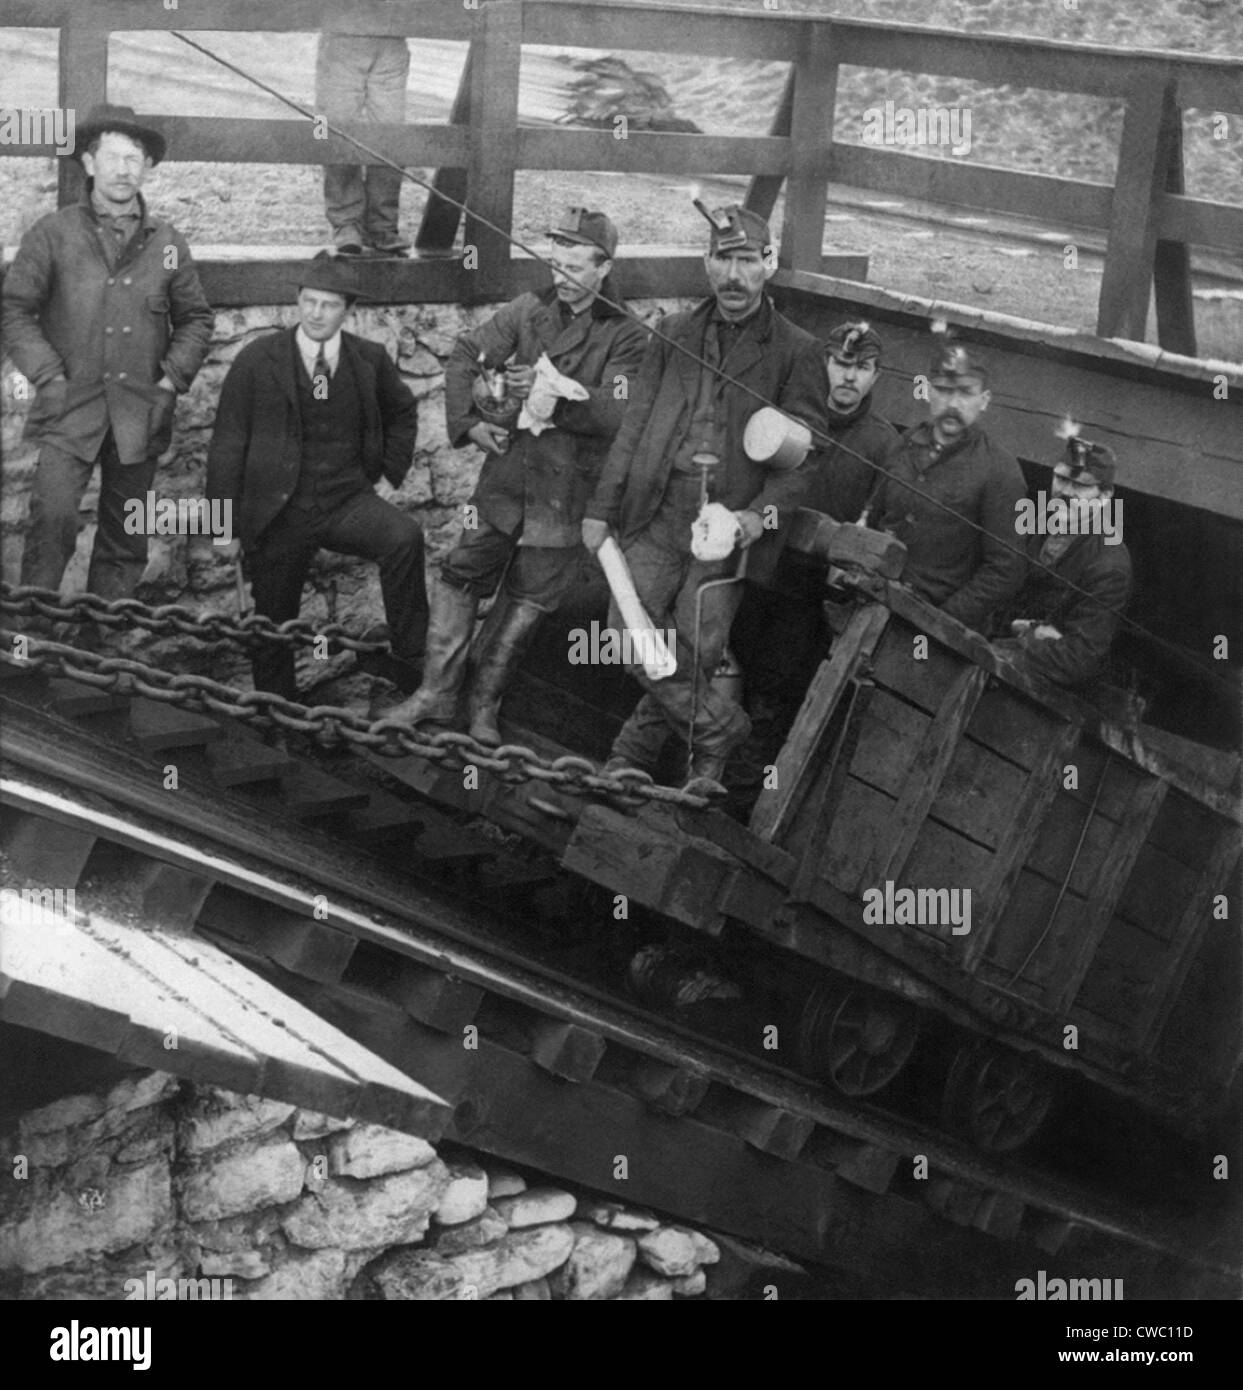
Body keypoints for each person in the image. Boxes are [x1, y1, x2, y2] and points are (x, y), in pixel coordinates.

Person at [581, 202, 828, 791]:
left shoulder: (797, 350)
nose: (734, 276)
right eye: (724, 260)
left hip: (725, 536)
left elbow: (807, 462)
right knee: (628, 637)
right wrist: (599, 511)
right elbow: (635, 427)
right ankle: (721, 730)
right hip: (657, 514)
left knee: (692, 649)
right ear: (706, 263)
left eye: (747, 261)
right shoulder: (672, 334)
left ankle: (647, 763)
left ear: (767, 265)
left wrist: (749, 520)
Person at [391, 209, 648, 743]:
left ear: (604, 268)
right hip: (504, 483)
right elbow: (466, 352)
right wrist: (470, 425)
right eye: (556, 264)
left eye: (575, 267)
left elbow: (617, 411)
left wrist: (547, 391)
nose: (562, 277)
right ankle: (435, 694)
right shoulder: (530, 310)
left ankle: (484, 704)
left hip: (567, 496)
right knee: (461, 574)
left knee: (529, 603)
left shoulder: (626, 335)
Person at [2, 104, 213, 620]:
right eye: (114, 158)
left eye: (135, 160)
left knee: (125, 537)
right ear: (90, 164)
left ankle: (104, 658)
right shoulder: (53, 234)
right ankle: (32, 650)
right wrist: (48, 375)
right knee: (52, 523)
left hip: (139, 413)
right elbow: (14, 309)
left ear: (146, 170)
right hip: (69, 406)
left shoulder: (167, 244)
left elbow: (196, 320)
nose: (125, 170)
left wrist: (169, 382)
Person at [205, 253, 425, 700]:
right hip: (278, 510)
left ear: (347, 310)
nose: (316, 313)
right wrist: (222, 526)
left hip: (346, 501)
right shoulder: (257, 360)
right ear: (297, 302)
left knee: (404, 537)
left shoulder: (369, 359)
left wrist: (388, 471)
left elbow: (403, 410)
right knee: (273, 616)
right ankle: (275, 711)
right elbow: (227, 445)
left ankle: (412, 663)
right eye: (308, 302)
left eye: (328, 305)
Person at [732, 319, 900, 728]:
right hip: (750, 568)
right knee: (722, 666)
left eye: (862, 368)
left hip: (806, 591)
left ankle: (739, 789)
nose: (848, 376)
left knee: (773, 692)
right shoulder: (789, 414)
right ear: (823, 362)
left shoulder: (883, 443)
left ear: (876, 376)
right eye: (841, 363)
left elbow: (876, 523)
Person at [869, 335, 1026, 634]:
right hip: (875, 601)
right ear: (927, 391)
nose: (953, 403)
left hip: (937, 631)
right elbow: (873, 518)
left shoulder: (1001, 470)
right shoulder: (902, 446)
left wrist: (939, 620)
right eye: (943, 390)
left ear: (984, 400)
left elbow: (1007, 570)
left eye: (966, 393)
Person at [994, 437, 1132, 686]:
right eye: (1061, 479)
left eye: (1080, 485)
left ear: (1105, 496)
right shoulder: (1034, 522)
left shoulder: (1109, 564)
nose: (1066, 492)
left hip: (1037, 692)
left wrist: (1027, 638)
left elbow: (1079, 658)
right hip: (996, 655)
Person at [316, 21, 411, 257]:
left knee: (390, 134)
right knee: (339, 130)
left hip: (392, 40)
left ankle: (382, 226)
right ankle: (347, 224)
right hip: (343, 36)